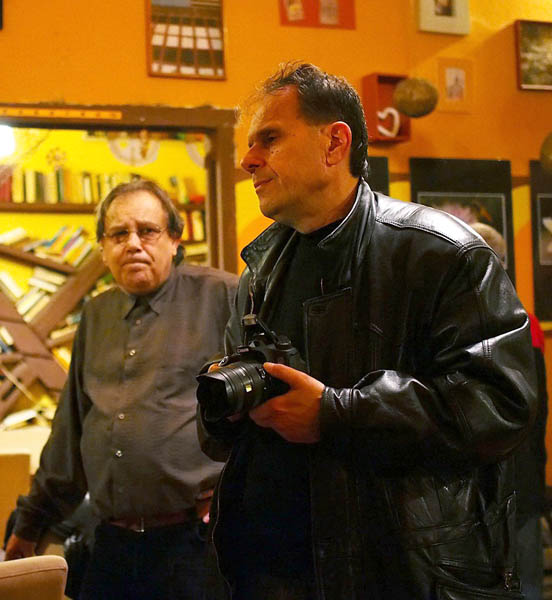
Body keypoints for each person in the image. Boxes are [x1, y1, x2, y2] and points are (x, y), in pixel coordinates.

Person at [198, 62, 537, 599]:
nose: (248, 160)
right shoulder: (260, 269)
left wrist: (336, 414)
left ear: (335, 143)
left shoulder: (441, 252)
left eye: (270, 138)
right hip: (271, 575)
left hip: (400, 575)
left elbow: (500, 405)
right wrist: (227, 410)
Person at [4, 179, 237, 600]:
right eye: (118, 234)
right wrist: (30, 525)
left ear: (174, 240)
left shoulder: (224, 297)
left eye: (147, 231)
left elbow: (267, 405)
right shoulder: (95, 315)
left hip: (194, 546)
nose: (133, 244)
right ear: (102, 248)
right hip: (111, 543)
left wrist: (235, 496)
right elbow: (70, 436)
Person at [470, 222, 549, 600]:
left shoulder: (515, 320)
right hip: (518, 473)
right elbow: (536, 409)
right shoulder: (525, 320)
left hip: (492, 475)